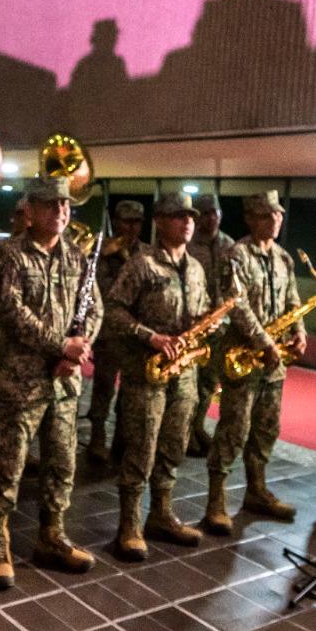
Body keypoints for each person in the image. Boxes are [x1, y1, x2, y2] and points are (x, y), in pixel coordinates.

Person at [0, 178, 102, 588]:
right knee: (7, 466)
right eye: (50, 205)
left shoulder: (76, 257)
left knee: (61, 463)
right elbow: (12, 312)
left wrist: (79, 348)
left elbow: (95, 308)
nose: (60, 212)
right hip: (18, 382)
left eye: (65, 205)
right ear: (29, 210)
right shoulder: (7, 255)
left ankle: (52, 534)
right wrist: (61, 347)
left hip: (63, 384)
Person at [105, 193, 209, 558]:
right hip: (146, 373)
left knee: (173, 445)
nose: (188, 222)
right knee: (141, 448)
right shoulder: (141, 264)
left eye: (190, 216)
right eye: (179, 216)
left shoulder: (195, 268)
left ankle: (162, 514)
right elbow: (113, 311)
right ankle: (129, 525)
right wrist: (150, 337)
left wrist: (207, 324)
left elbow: (204, 309)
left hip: (184, 373)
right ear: (161, 222)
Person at [202, 190, 300, 532]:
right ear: (249, 218)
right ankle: (216, 499)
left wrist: (299, 331)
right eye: (265, 214)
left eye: (277, 214)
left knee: (266, 428)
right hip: (242, 355)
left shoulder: (283, 259)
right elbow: (236, 305)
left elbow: (292, 300)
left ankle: (256, 490)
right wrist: (265, 341)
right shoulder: (236, 255)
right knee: (234, 428)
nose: (273, 219)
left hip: (273, 363)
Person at [85, 200, 147, 464]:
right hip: (110, 332)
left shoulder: (146, 253)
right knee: (103, 386)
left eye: (135, 222)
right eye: (125, 221)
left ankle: (122, 440)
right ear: (116, 221)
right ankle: (97, 438)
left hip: (136, 334)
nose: (130, 227)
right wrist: (105, 256)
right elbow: (98, 291)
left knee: (131, 391)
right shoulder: (102, 251)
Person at [186, 193, 236, 456]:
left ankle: (197, 427)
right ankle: (185, 433)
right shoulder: (189, 245)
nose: (210, 218)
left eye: (214, 212)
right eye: (205, 213)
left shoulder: (229, 245)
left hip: (222, 325)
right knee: (191, 383)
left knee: (209, 382)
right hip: (196, 325)